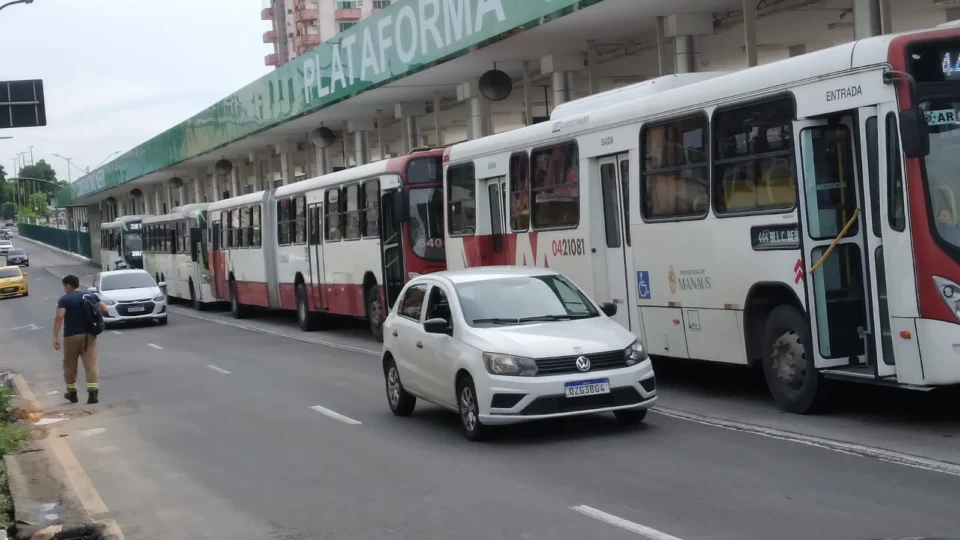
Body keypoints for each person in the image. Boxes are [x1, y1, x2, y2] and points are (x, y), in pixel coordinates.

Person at [53, 275, 109, 404]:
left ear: (68, 286)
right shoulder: (90, 295)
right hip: (89, 336)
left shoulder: (64, 299)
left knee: (70, 365)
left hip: (71, 336)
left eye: (64, 286)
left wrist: (55, 336)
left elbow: (60, 317)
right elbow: (105, 309)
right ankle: (93, 393)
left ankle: (72, 393)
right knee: (91, 364)